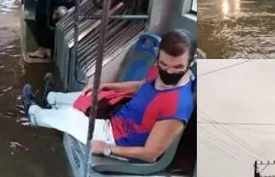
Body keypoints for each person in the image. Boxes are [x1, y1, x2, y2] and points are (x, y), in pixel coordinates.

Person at [20, 30, 195, 162]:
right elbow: (142, 85)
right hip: (117, 118)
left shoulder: (177, 106)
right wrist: (105, 86)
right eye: (164, 65)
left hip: (117, 140)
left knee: (69, 115)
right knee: (89, 96)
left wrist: (107, 148)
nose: (169, 71)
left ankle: (34, 113)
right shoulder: (158, 69)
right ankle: (51, 98)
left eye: (177, 68)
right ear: (158, 59)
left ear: (191, 63)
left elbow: (151, 154)